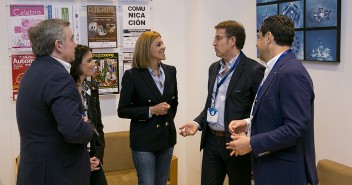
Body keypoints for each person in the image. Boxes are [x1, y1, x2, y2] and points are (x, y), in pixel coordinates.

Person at [226, 15, 319, 185]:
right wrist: (248, 123)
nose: (256, 43)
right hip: (271, 168)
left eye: (258, 37)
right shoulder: (276, 68)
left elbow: (295, 128)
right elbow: (275, 112)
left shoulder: (291, 72)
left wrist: (252, 143)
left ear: (269, 37)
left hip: (284, 172)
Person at [179, 20, 265, 185]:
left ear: (232, 41)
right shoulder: (213, 68)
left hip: (235, 144)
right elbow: (211, 107)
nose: (213, 43)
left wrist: (250, 140)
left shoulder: (254, 71)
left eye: (218, 38)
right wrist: (197, 123)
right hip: (211, 141)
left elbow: (260, 113)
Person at [16, 19, 93, 185]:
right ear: (59, 45)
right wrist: (87, 126)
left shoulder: (34, 70)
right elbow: (74, 131)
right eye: (72, 39)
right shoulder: (58, 76)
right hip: (57, 174)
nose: (75, 44)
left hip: (37, 171)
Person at [117, 31, 178, 185]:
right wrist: (151, 110)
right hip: (144, 141)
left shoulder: (171, 71)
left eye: (162, 43)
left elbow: (174, 103)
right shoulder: (132, 75)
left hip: (166, 138)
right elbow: (122, 110)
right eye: (158, 44)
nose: (163, 47)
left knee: (162, 182)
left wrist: (166, 118)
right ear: (146, 49)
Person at [70, 45, 108, 185]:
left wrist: (98, 156)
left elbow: (98, 127)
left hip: (93, 159)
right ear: (76, 63)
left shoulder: (92, 89)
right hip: (73, 161)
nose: (94, 64)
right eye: (89, 60)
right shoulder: (65, 90)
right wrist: (83, 161)